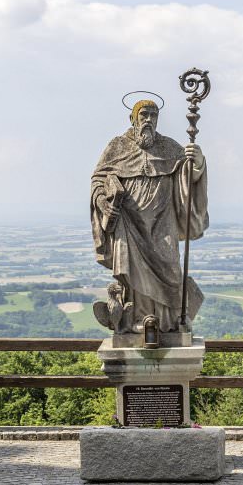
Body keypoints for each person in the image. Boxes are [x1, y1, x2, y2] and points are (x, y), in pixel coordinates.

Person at [90, 99, 208, 333]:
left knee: (171, 269)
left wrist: (198, 163)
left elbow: (187, 178)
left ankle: (169, 323)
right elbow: (98, 180)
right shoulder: (117, 147)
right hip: (129, 224)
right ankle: (136, 321)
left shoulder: (169, 148)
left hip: (164, 222)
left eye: (153, 116)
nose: (148, 120)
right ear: (133, 118)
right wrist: (104, 203)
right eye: (143, 115)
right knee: (134, 277)